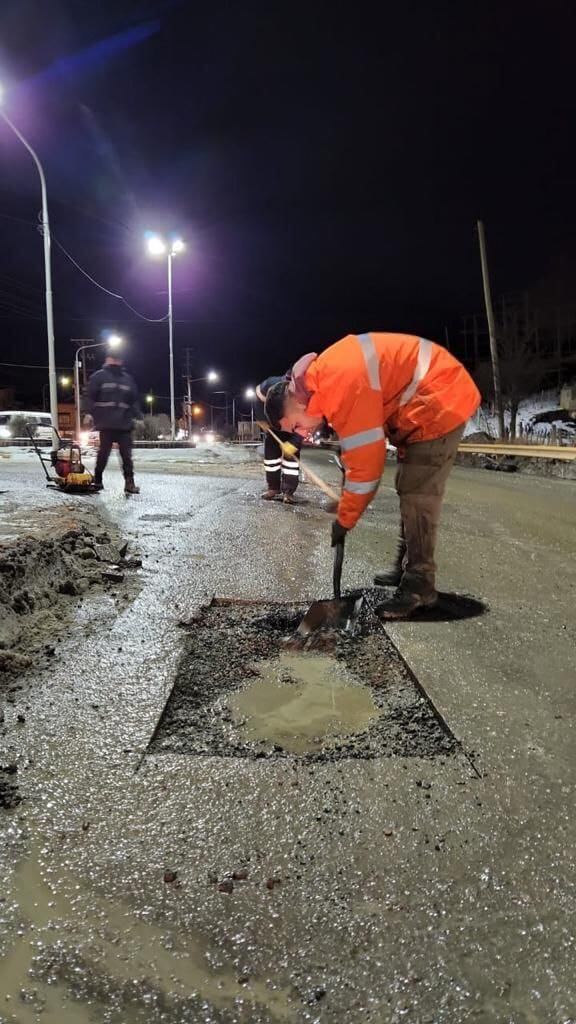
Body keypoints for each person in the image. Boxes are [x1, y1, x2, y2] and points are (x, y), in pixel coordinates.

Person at [262, 333, 480, 619]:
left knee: (417, 491)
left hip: (439, 400)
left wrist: (345, 519)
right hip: (422, 401)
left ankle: (419, 585)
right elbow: (355, 447)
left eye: (296, 425)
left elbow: (367, 467)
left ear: (298, 405)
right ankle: (408, 568)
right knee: (408, 486)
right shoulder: (323, 382)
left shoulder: (339, 385)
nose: (301, 433)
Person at [85, 351, 141, 494]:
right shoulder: (99, 377)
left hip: (124, 424)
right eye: (113, 358)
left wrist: (139, 417)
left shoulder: (127, 380)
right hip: (106, 424)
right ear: (107, 359)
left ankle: (129, 483)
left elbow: (133, 400)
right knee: (103, 454)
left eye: (118, 359)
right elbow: (90, 397)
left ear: (121, 361)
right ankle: (97, 481)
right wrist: (88, 413)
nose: (115, 361)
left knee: (126, 456)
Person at [255, 377, 303, 503]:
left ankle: (289, 492)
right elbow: (257, 396)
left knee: (291, 462)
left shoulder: (303, 398)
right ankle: (273, 488)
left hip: (294, 429)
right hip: (273, 428)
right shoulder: (268, 386)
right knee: (271, 460)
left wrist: (295, 442)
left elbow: (306, 427)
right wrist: (261, 418)